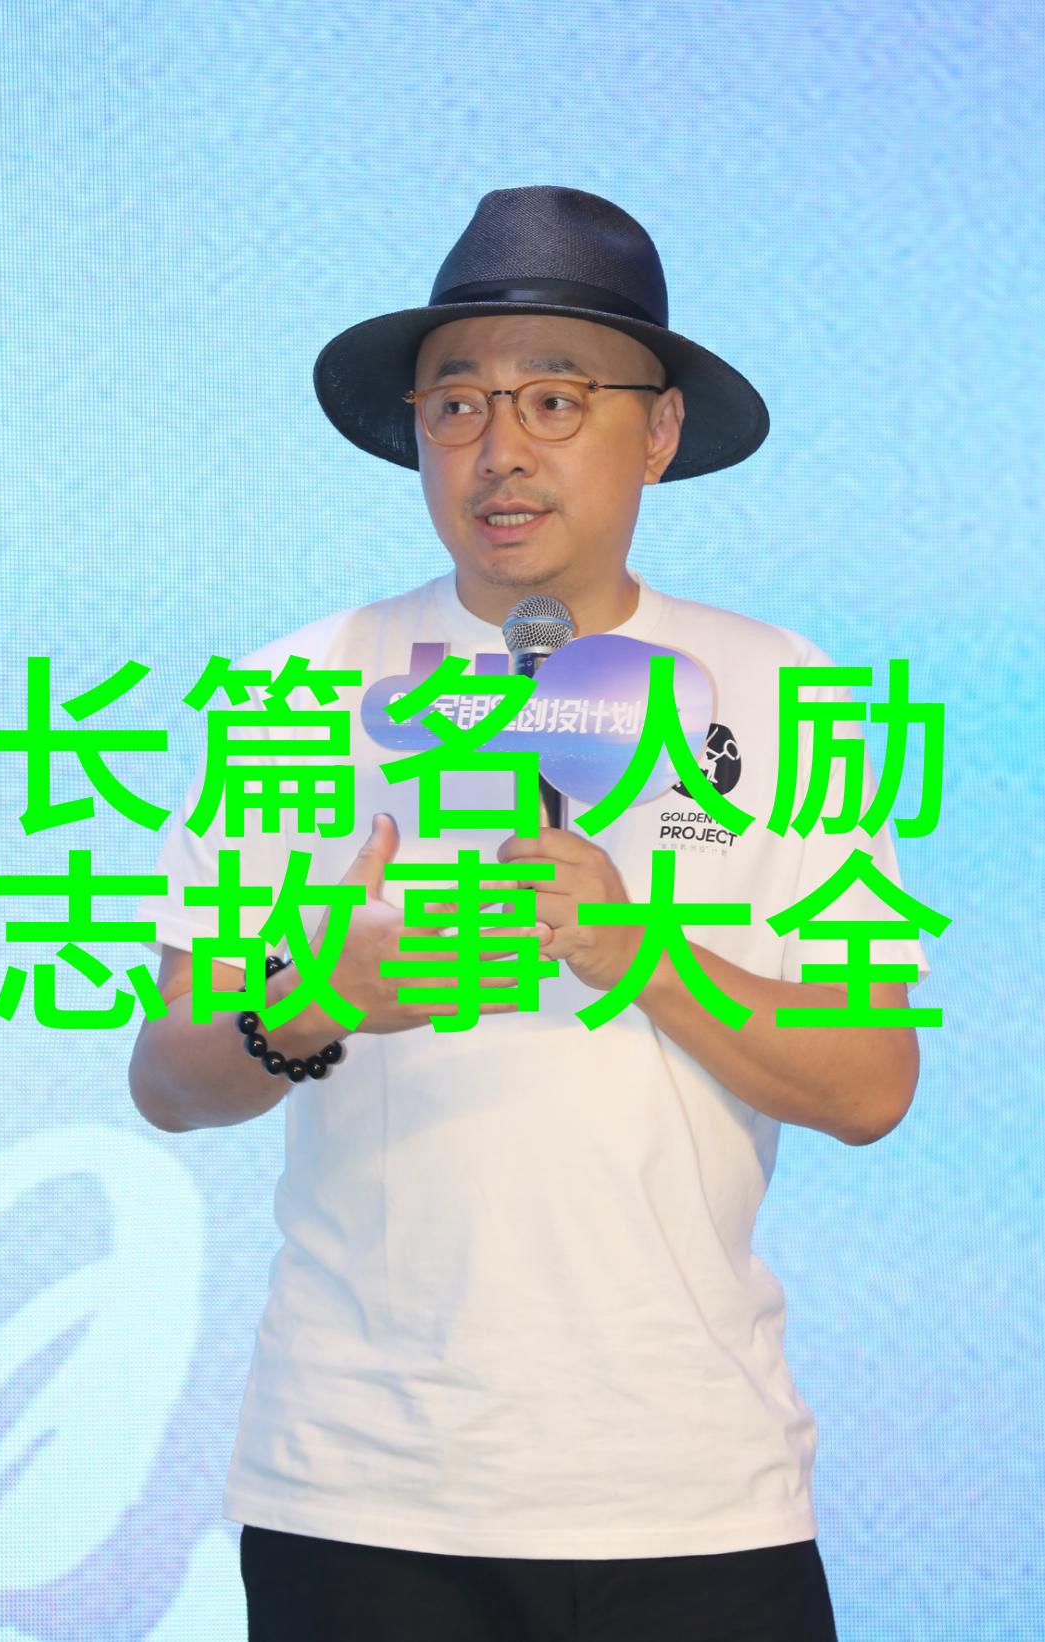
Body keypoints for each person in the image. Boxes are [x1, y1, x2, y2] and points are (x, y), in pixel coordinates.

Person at [128, 187, 930, 1641]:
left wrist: (644, 954)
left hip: (692, 1487)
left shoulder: (782, 690)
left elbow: (870, 1083)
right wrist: (317, 994)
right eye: (456, 404)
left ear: (659, 430)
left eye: (555, 399)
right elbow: (168, 1080)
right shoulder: (293, 693)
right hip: (362, 1493)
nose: (498, 449)